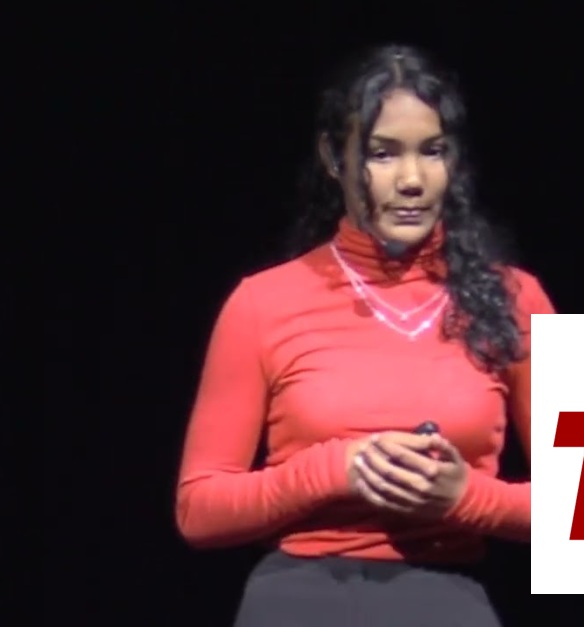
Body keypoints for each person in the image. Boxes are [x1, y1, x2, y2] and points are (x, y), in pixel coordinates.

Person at [174, 43, 555, 626]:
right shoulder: (262, 303)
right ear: (334, 158)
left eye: (432, 151)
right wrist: (338, 468)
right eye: (383, 154)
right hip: (298, 602)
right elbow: (199, 509)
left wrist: (466, 497)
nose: (412, 179)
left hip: (443, 597)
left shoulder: (515, 299)